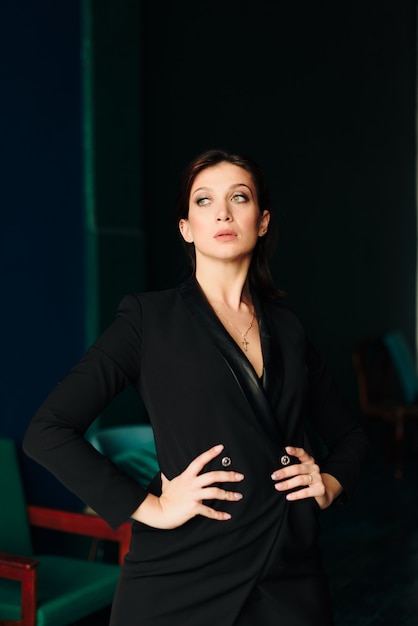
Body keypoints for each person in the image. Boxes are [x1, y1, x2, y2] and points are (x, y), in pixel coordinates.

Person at [23, 149, 368, 625]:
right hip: (182, 571)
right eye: (204, 200)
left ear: (262, 221)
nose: (222, 212)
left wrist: (328, 483)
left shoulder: (290, 331)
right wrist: (152, 507)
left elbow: (352, 436)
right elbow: (47, 430)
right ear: (186, 227)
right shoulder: (148, 319)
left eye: (239, 197)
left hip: (288, 571)